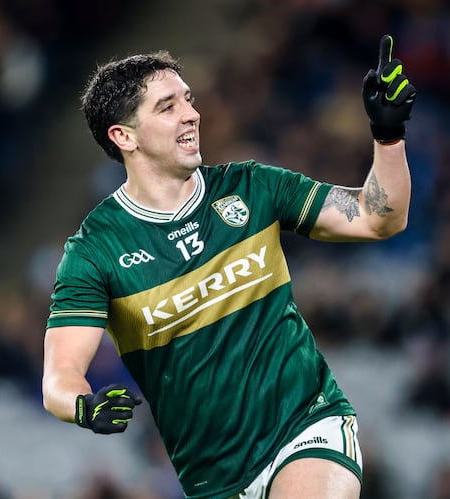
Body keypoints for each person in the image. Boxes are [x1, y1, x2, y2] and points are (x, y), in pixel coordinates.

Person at [42, 34, 416, 499]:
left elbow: (379, 219)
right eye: (167, 107)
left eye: (188, 99)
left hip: (306, 425)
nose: (191, 114)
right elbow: (59, 376)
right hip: (212, 478)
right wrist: (84, 406)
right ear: (124, 136)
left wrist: (388, 137)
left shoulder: (252, 187)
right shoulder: (95, 251)